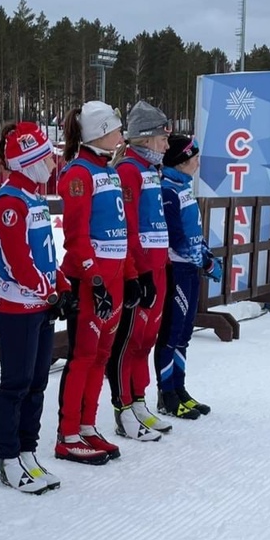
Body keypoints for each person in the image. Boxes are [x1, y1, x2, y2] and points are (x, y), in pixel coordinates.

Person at [0, 122, 70, 494]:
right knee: (16, 384)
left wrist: (62, 285)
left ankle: (27, 451)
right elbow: (18, 262)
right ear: (28, 161)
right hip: (16, 307)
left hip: (39, 306)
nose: (53, 164)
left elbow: (45, 256)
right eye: (46, 157)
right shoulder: (9, 201)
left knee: (37, 383)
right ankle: (8, 458)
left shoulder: (35, 199)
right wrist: (49, 292)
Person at [54, 100, 128, 466]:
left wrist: (129, 275)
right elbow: (76, 236)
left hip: (114, 278)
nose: (121, 135)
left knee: (101, 355)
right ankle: (67, 433)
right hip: (91, 280)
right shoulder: (79, 173)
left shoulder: (108, 171)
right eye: (115, 129)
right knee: (83, 356)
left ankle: (87, 424)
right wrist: (94, 279)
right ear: (99, 133)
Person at [105, 101, 173, 442]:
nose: (166, 145)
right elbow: (129, 226)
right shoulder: (129, 170)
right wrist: (139, 270)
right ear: (145, 138)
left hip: (157, 265)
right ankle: (124, 407)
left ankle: (139, 400)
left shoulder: (150, 169)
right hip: (141, 268)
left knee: (147, 340)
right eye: (162, 138)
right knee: (130, 341)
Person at [154, 134, 222, 420]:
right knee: (171, 333)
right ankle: (166, 394)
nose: (198, 163)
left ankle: (179, 389)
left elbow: (194, 231)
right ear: (181, 162)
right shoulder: (167, 190)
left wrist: (206, 255)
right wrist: (204, 261)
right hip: (176, 269)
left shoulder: (183, 188)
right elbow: (176, 238)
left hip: (190, 268)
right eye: (194, 158)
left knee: (184, 332)